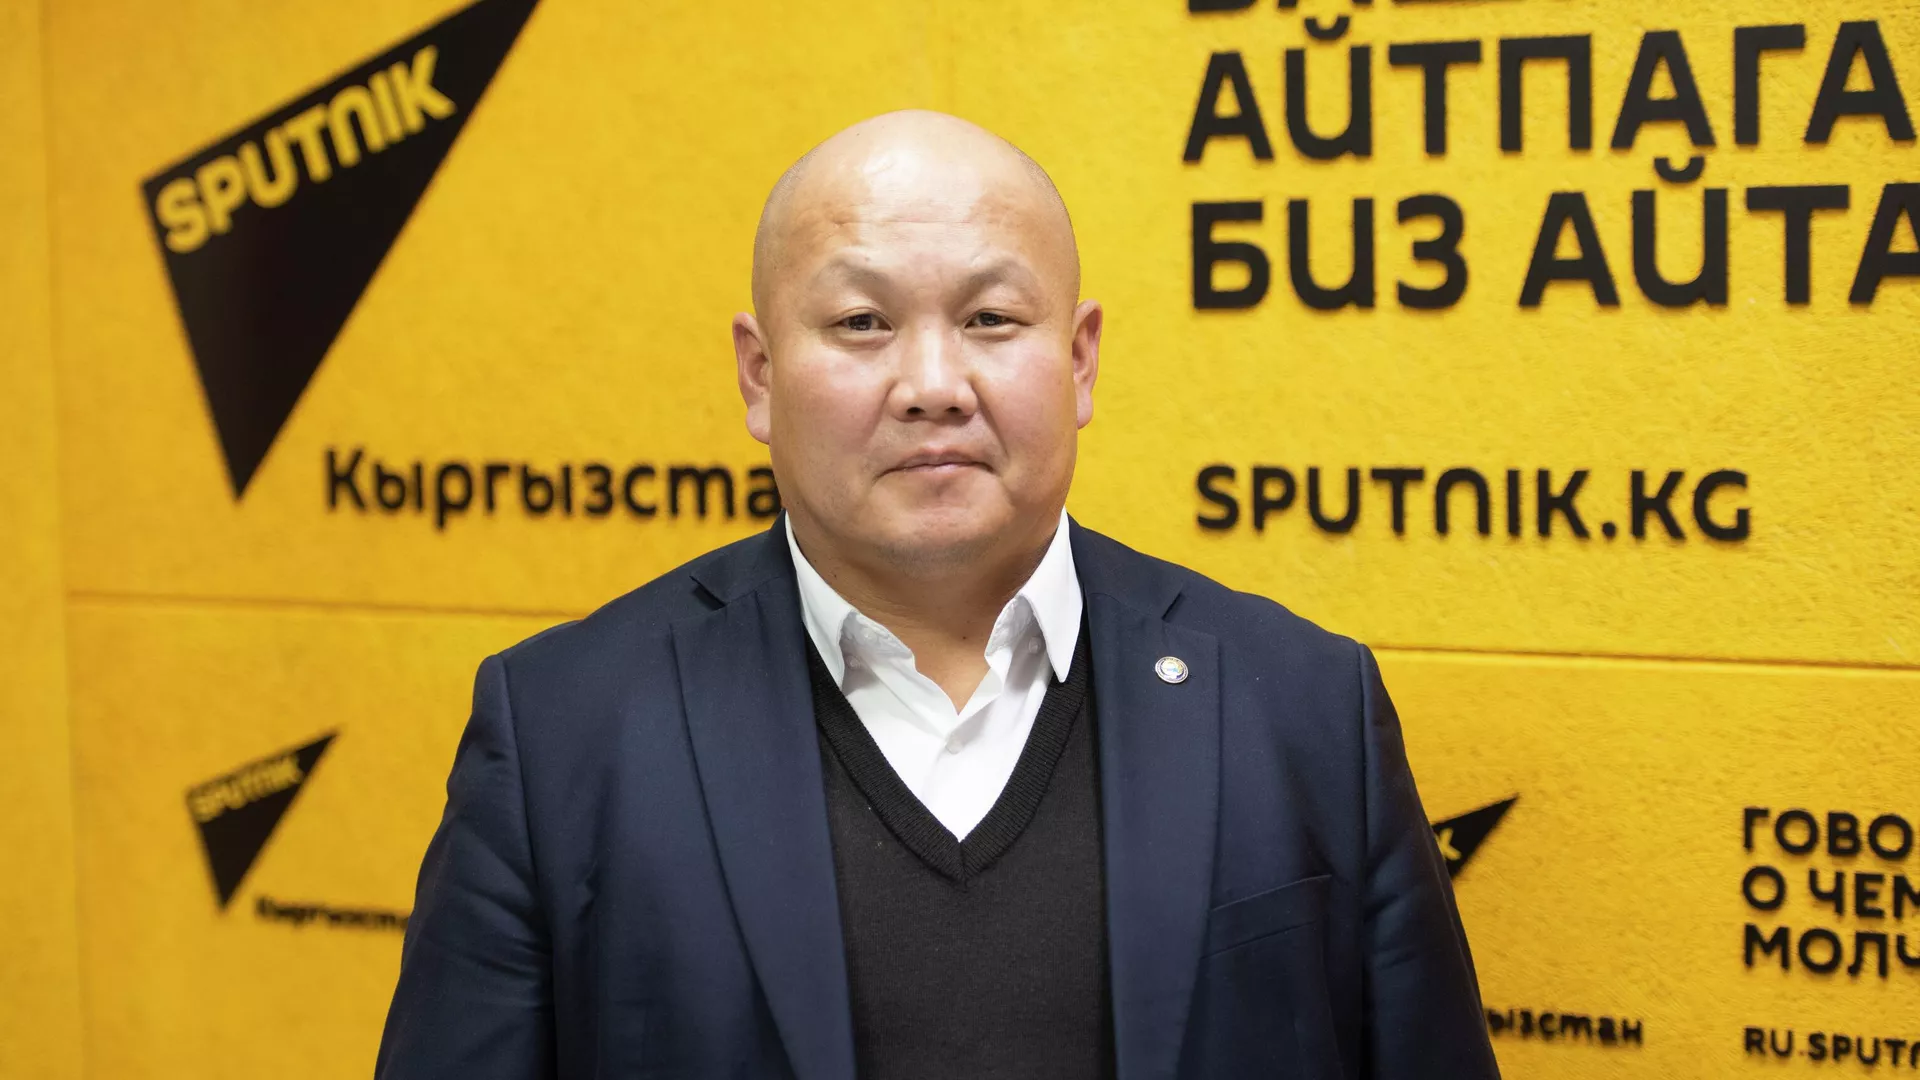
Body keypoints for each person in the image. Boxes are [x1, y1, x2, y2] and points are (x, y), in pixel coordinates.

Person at [375, 109, 1501, 1080]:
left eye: (990, 320)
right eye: (861, 324)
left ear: (1081, 359)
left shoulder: (1303, 707)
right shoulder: (563, 733)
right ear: (760, 377)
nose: (931, 386)